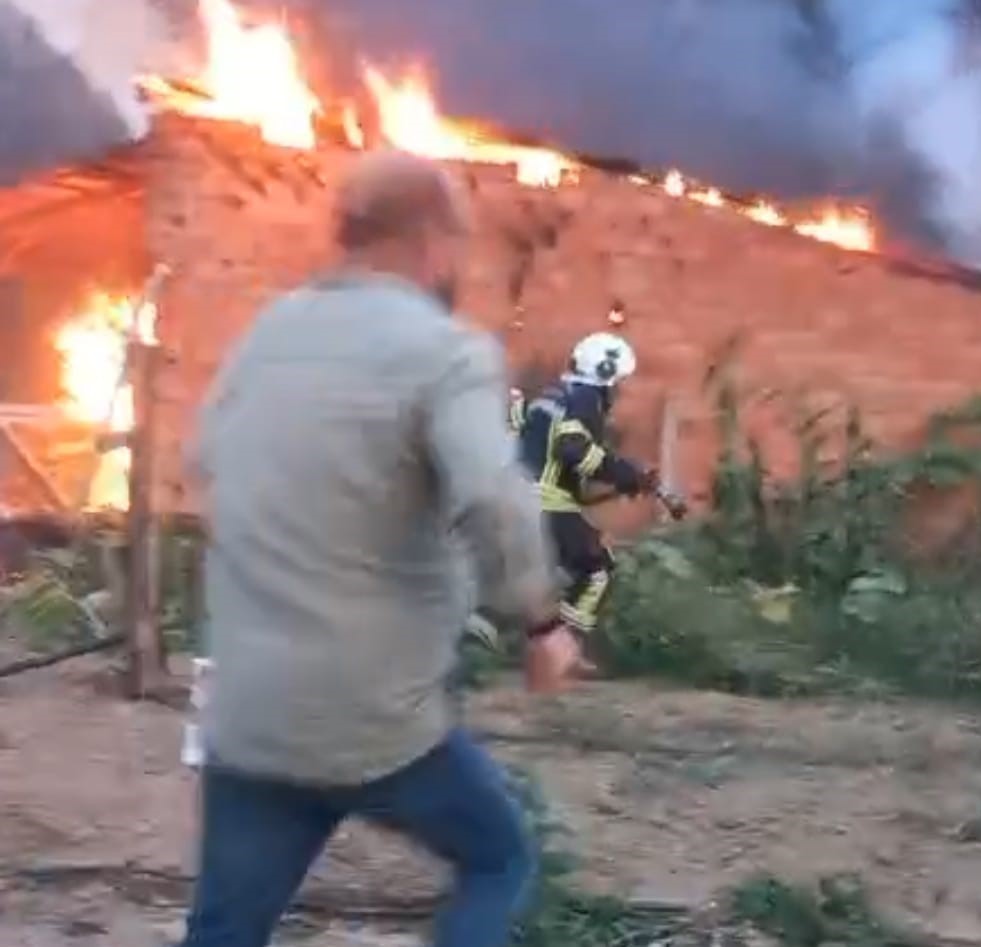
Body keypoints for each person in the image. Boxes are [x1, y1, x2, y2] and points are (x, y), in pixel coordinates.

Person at [180, 150, 583, 947]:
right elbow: (494, 502)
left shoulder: (270, 330)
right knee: (499, 857)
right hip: (374, 721)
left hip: (251, 709)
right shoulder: (443, 351)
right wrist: (542, 623)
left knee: (225, 928)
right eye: (458, 246)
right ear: (432, 238)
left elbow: (203, 463)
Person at [517, 332, 657, 641]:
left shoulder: (550, 396)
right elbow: (573, 450)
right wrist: (624, 472)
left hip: (513, 500)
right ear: (605, 374)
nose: (618, 392)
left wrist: (622, 482)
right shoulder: (585, 398)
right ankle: (562, 650)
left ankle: (521, 644)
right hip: (546, 503)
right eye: (617, 383)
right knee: (596, 571)